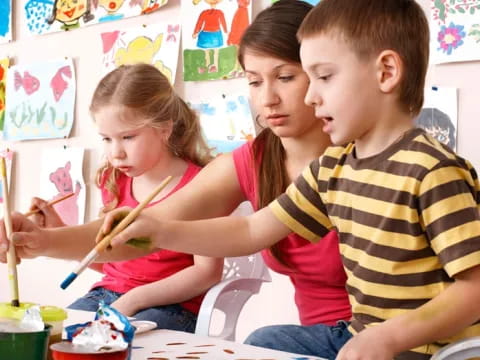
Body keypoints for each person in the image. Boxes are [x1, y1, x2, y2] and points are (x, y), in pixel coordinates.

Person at [92, 0, 480, 359]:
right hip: (362, 339)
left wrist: (389, 336)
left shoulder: (432, 171)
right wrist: (159, 231)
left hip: (435, 350)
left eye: (324, 77)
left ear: (386, 72)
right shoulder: (335, 167)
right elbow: (249, 231)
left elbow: (475, 288)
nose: (312, 97)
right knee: (267, 344)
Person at [0, 0, 351, 353]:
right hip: (315, 342)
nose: (268, 99)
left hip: (370, 337)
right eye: (254, 81)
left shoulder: (365, 157)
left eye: (285, 77)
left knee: (262, 343)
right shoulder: (253, 161)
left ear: (323, 74)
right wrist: (41, 240)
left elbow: (233, 235)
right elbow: (138, 228)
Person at [27, 63, 224, 332]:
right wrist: (59, 229)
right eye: (107, 139)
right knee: (56, 337)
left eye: (128, 137)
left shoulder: (200, 185)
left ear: (164, 129)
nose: (115, 153)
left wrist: (133, 300)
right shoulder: (114, 180)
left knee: (121, 346)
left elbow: (207, 273)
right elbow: (111, 258)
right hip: (107, 295)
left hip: (173, 306)